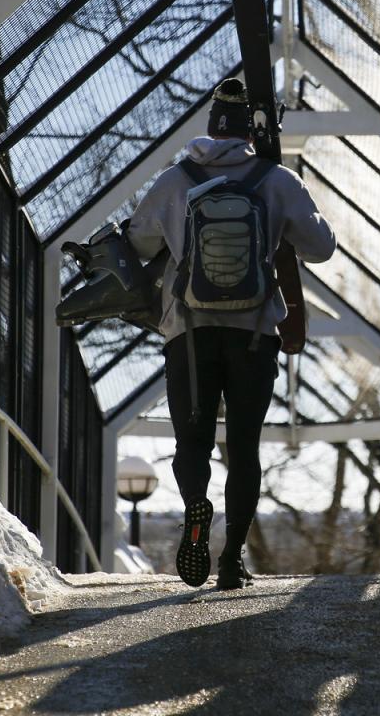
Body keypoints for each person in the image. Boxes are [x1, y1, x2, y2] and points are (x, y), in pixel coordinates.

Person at [125, 77, 336, 590]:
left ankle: (196, 503)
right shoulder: (277, 179)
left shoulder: (176, 179)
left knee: (191, 440)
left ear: (210, 125)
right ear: (253, 131)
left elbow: (137, 240)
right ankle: (232, 559)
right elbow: (321, 248)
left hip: (188, 333)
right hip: (254, 334)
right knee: (244, 445)